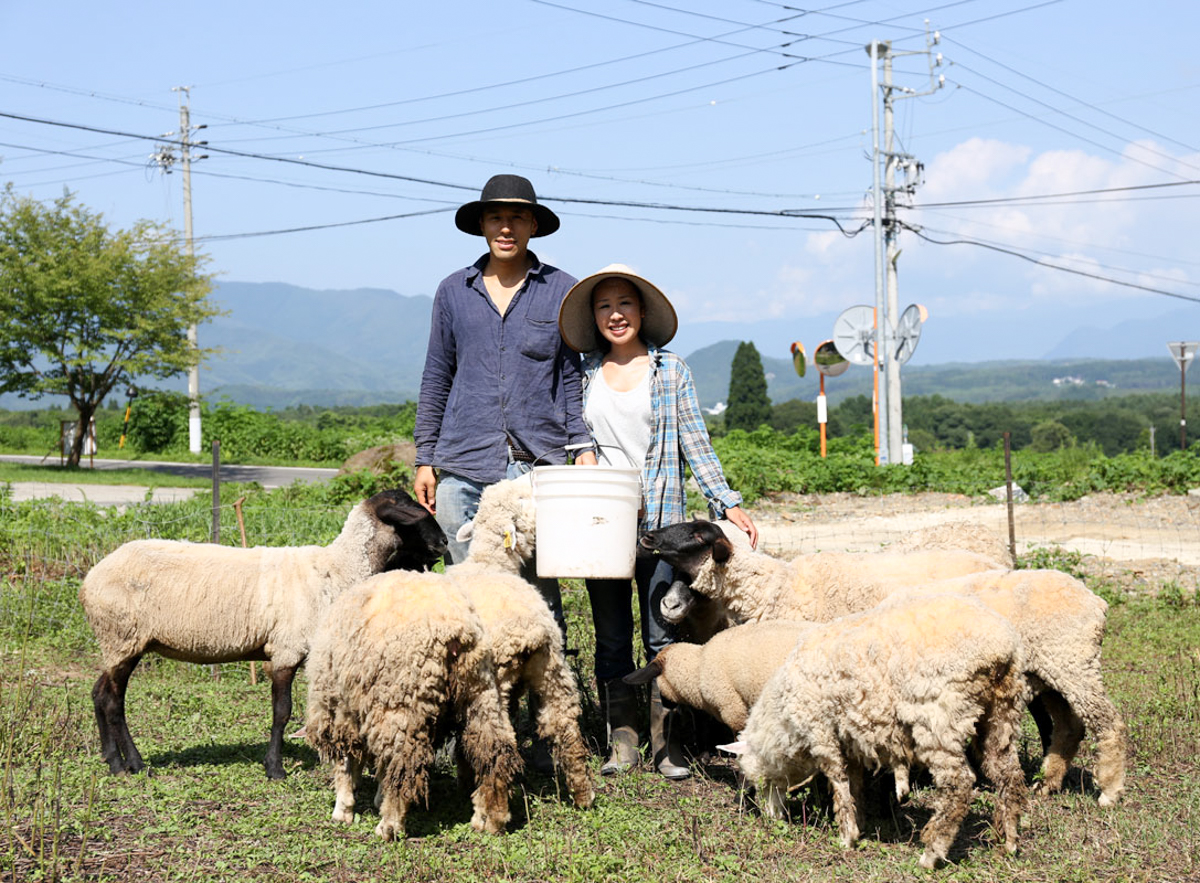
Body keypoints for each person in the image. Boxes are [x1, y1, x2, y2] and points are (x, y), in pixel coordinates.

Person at [557, 264, 757, 780]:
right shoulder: (580, 374)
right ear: (594, 317)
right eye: (604, 306)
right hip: (602, 524)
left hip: (663, 525)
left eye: (624, 304)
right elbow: (567, 439)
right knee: (610, 637)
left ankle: (668, 743)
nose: (615, 314)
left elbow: (695, 441)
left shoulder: (671, 371)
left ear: (642, 312)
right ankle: (621, 741)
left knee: (663, 634)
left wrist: (726, 500)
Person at [413, 174, 597, 638]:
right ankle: (477, 704)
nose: (506, 227)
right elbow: (438, 374)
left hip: (535, 470)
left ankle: (547, 700)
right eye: (496, 217)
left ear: (533, 224)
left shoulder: (561, 290)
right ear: (482, 225)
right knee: (467, 591)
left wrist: (582, 448)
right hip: (462, 463)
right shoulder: (454, 290)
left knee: (537, 595)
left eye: (517, 217)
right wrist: (425, 457)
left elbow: (571, 377)